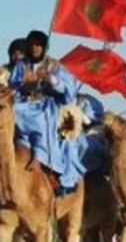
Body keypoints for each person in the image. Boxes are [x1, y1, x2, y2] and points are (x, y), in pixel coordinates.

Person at [7, 29, 85, 195]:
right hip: (22, 104)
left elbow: (67, 90)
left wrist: (51, 78)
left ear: (44, 47)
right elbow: (12, 86)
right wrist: (22, 82)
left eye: (38, 45)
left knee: (42, 121)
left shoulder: (54, 65)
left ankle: (41, 158)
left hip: (45, 105)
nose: (35, 48)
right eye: (32, 45)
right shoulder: (22, 65)